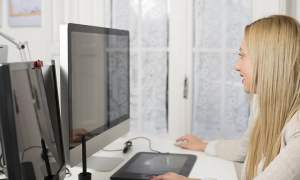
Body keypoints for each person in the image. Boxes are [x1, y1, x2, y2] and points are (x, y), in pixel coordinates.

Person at [151, 15, 300, 180]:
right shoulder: (262, 101)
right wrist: (203, 145)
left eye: (242, 55)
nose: (236, 66)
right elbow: (245, 149)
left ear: (268, 61)